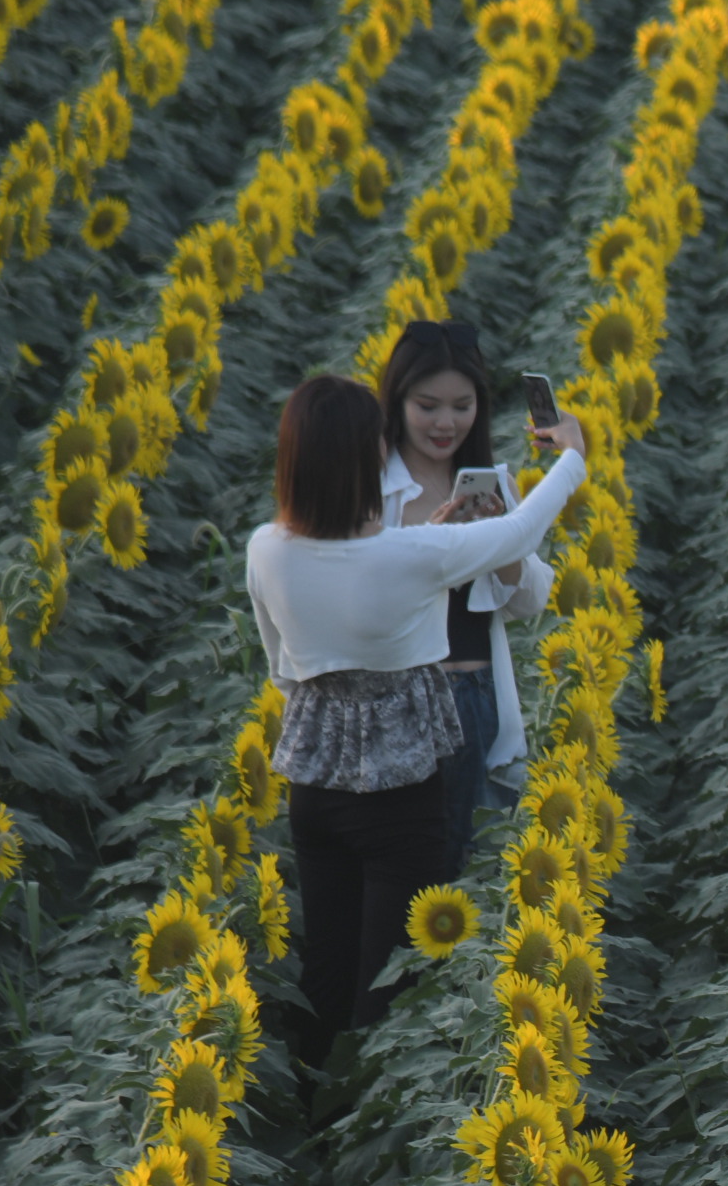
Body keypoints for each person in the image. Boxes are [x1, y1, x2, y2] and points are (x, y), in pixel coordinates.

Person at [248, 373, 590, 1056]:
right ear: (365, 457)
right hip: (401, 796)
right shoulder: (413, 557)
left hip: (314, 788)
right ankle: (367, 1126)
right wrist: (572, 457)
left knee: (329, 961)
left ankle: (319, 1108)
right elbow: (520, 528)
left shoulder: (266, 547)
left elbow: (283, 668)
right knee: (391, 982)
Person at [374, 320, 550, 846]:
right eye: (428, 406)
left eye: (462, 405)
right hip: (393, 696)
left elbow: (531, 600)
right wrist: (434, 545)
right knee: (403, 860)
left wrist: (500, 542)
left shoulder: (492, 481)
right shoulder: (373, 485)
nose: (446, 422)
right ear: (398, 401)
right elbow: (358, 593)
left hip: (473, 695)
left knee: (461, 859)